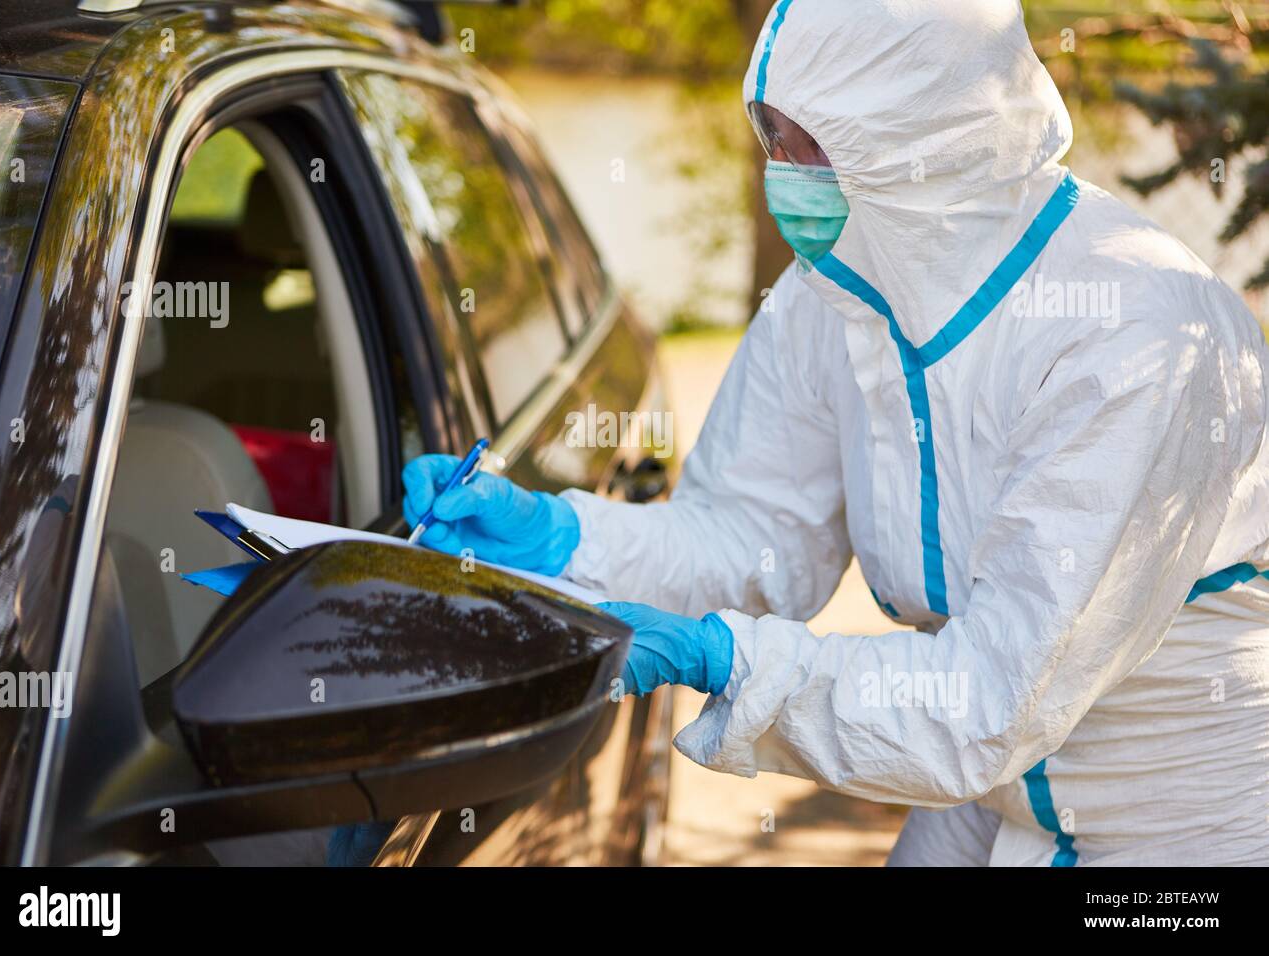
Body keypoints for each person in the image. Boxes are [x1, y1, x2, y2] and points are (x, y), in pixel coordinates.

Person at [403, 0, 1269, 866]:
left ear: (917, 136)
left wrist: (727, 663)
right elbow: (756, 534)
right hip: (994, 783)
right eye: (769, 137)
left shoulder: (1136, 335)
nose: (781, 171)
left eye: (807, 141)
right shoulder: (836, 293)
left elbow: (986, 703)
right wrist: (564, 538)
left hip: (1180, 810)